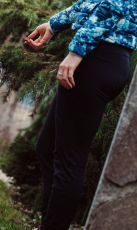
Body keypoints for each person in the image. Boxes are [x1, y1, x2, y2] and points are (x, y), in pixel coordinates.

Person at [24, 0, 137, 229]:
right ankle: (49, 224)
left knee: (69, 160)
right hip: (106, 58)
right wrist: (53, 24)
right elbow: (93, 3)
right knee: (47, 148)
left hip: (97, 57)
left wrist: (77, 52)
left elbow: (110, 5)